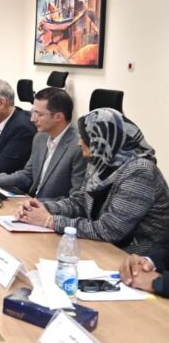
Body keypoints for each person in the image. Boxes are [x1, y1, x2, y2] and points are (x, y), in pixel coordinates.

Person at [15, 108, 169, 254]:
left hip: (135, 257)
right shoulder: (100, 161)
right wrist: (44, 208)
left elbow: (111, 230)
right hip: (102, 246)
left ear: (104, 139)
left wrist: (50, 221)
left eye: (86, 138)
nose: (79, 143)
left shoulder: (140, 171)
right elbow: (81, 202)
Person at [0, 87, 85, 200]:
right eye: (33, 112)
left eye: (39, 114)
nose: (32, 119)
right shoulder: (40, 137)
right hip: (29, 202)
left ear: (58, 117)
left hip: (49, 208)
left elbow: (76, 199)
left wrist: (41, 206)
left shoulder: (79, 146)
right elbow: (27, 175)